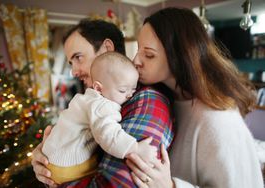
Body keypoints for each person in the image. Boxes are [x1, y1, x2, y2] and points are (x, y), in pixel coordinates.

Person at [125, 7, 264, 188]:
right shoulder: (162, 99)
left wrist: (171, 186)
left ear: (180, 56)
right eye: (139, 50)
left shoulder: (218, 120)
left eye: (149, 54)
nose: (136, 60)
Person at [31, 19, 174, 187]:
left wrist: (59, 182)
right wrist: (47, 157)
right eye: (71, 62)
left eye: (78, 57)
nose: (74, 71)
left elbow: (114, 184)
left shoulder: (145, 101)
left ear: (106, 48)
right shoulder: (97, 98)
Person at [42, 51, 157, 184]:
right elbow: (108, 135)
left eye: (133, 89)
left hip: (53, 157)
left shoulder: (87, 98)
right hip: (66, 166)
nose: (129, 95)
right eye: (122, 90)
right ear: (98, 88)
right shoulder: (102, 105)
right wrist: (135, 148)